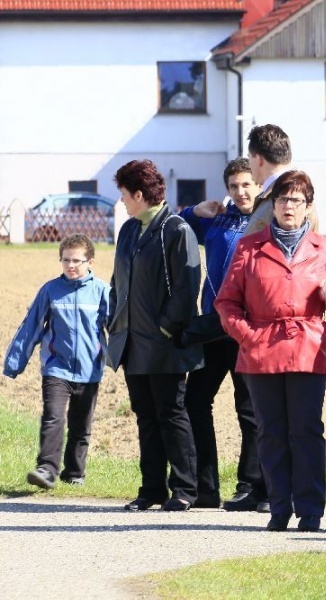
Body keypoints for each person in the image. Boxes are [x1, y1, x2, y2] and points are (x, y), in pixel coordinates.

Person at [215, 170, 326, 532]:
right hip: (261, 350)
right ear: (272, 205)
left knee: (306, 431)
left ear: (308, 206)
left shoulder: (324, 248)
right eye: (282, 199)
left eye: (296, 200)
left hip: (308, 349)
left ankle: (310, 510)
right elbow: (227, 302)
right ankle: (279, 508)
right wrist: (248, 336)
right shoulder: (250, 247)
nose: (288, 206)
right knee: (271, 432)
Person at [108, 159, 204, 511]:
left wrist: (165, 327)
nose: (121, 201)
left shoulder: (176, 229)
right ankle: (151, 490)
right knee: (145, 417)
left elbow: (186, 288)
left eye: (123, 194)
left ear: (139, 194)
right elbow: (118, 281)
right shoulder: (128, 230)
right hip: (131, 343)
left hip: (165, 344)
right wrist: (114, 320)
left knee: (171, 415)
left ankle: (184, 489)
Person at [178, 158, 268, 511]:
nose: (241, 192)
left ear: (258, 185)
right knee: (194, 401)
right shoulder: (219, 220)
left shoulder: (265, 220)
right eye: (234, 186)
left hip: (247, 327)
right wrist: (194, 210)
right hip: (214, 327)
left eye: (246, 184)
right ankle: (206, 487)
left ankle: (250, 485)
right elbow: (176, 226)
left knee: (249, 408)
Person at [3, 234, 109, 490]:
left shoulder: (102, 291)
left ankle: (74, 473)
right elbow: (31, 326)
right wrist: (14, 363)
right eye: (65, 260)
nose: (70, 265)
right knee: (53, 417)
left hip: (89, 371)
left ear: (90, 261)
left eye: (76, 260)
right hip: (56, 368)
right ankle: (47, 469)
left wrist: (127, 361)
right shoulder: (50, 290)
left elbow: (117, 329)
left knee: (81, 425)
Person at [243, 124, 294, 236]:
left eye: (249, 158)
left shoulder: (286, 196)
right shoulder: (293, 191)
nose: (249, 165)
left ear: (259, 160)